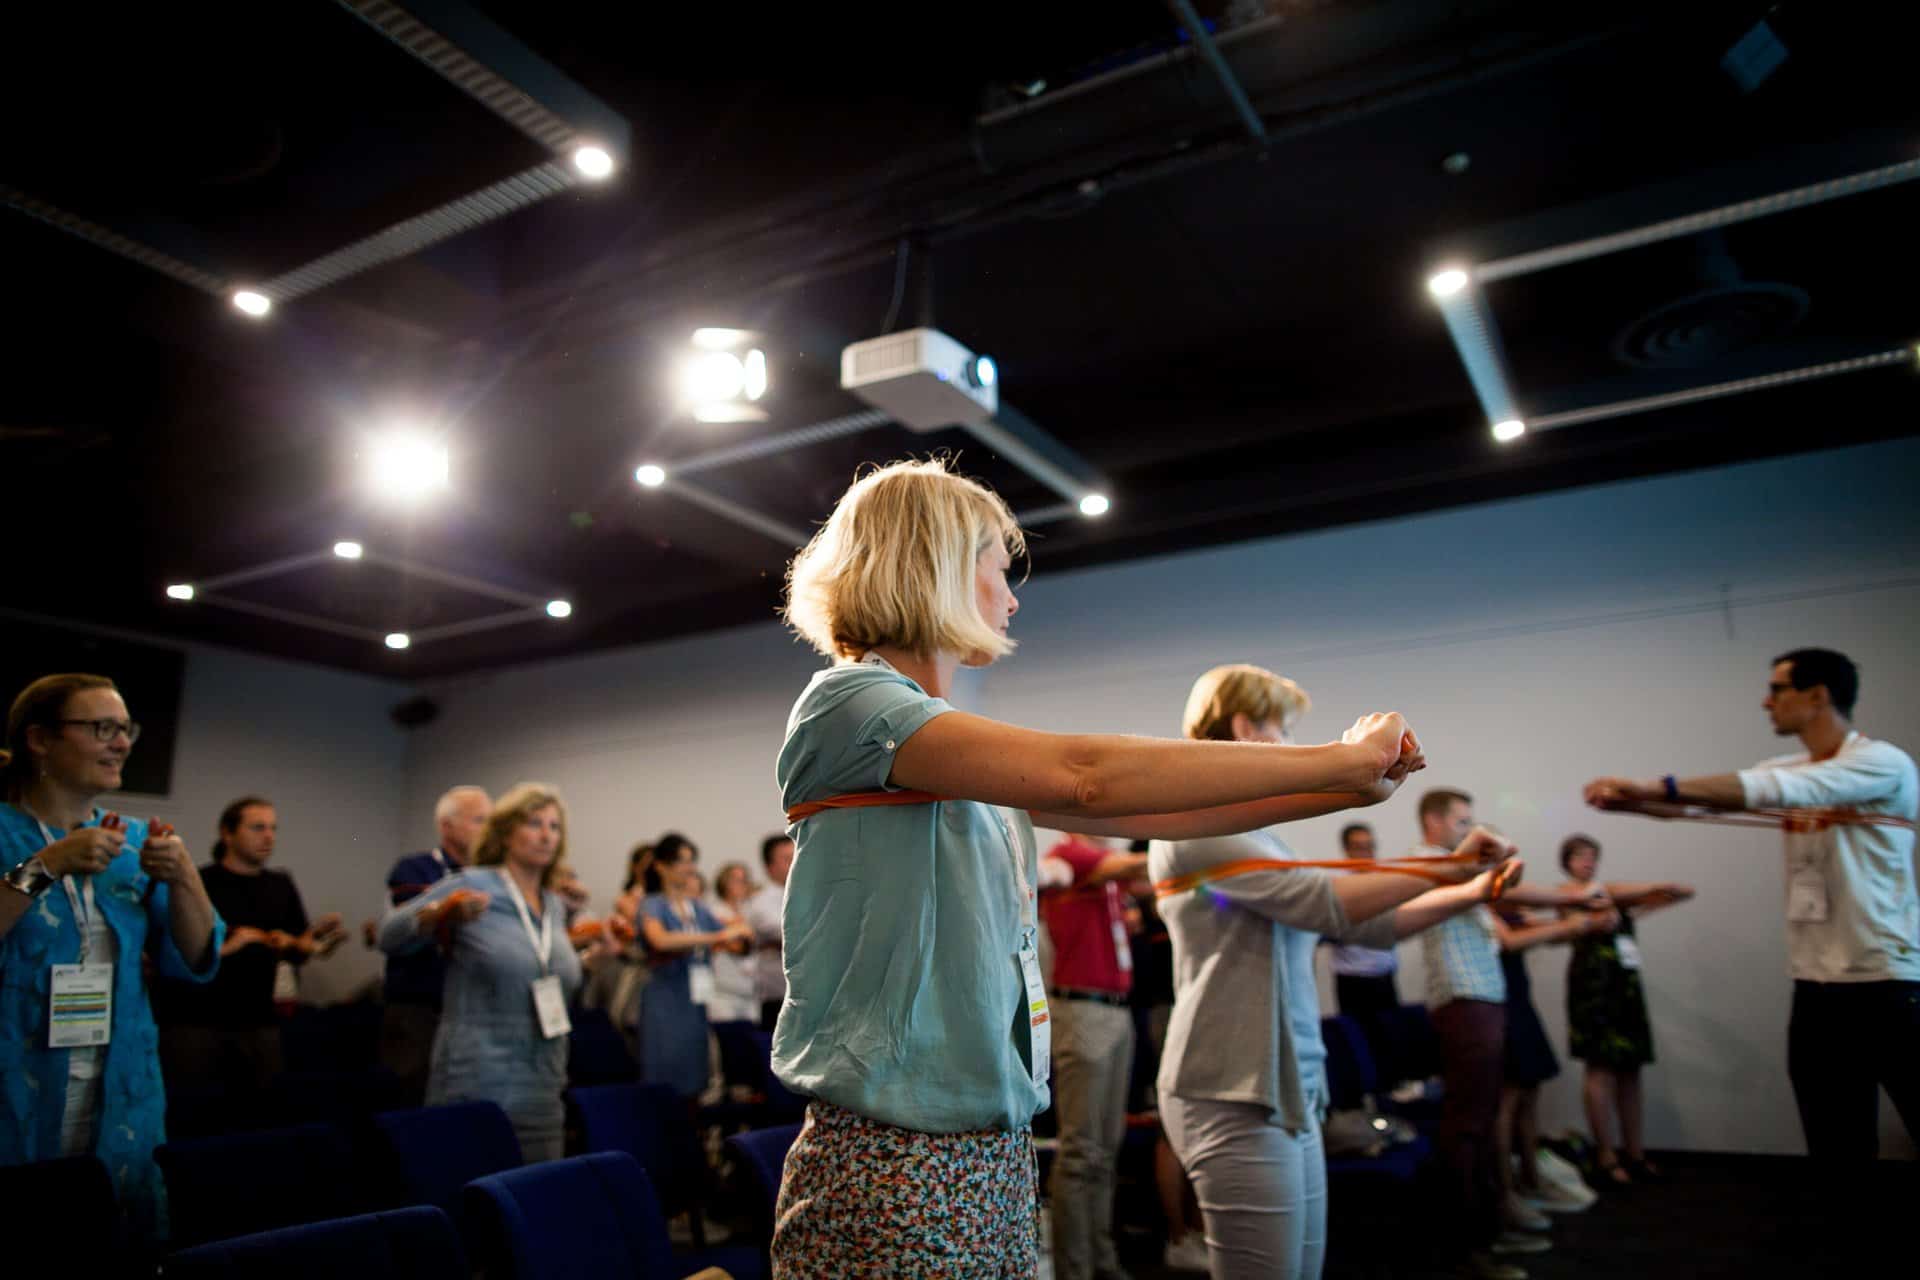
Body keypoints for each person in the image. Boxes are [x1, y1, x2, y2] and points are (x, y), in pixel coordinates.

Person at [770, 458, 1423, 1279]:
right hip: (896, 1157)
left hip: (986, 1144)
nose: (1011, 599)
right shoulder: (849, 703)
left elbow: (1150, 816)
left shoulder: (940, 742)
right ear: (937, 565)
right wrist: (1336, 759)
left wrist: (1345, 786)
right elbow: (1088, 776)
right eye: (998, 569)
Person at [1151, 666, 1518, 1280]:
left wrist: (1471, 890)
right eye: (1284, 728)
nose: (1292, 744)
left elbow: (1365, 925)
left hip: (1287, 1080)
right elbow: (1324, 903)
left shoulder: (1256, 835)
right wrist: (1451, 869)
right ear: (1245, 726)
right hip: (1228, 1085)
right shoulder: (1195, 826)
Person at [1585, 647, 1919, 1171]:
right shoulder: (1790, 767)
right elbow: (1702, 802)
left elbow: (1766, 789)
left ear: (1818, 696)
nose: (1766, 702)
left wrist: (1652, 786)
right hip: (1816, 990)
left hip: (1889, 985)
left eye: (1777, 689)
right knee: (1838, 1151)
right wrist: (1628, 801)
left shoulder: (1881, 762)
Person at [0, 673, 223, 1241]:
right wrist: (48, 864)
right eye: (102, 728)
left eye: (125, 730)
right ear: (39, 739)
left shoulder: (134, 840)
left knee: (114, 1241)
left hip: (119, 1090)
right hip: (15, 1088)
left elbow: (197, 956)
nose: (121, 743)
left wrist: (185, 875)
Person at [1413, 788, 1611, 1280]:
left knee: (1479, 1125)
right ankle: (1466, 1251)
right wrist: (1574, 897)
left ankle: (1486, 1233)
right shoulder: (1434, 861)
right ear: (1434, 822)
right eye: (1462, 822)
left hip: (1481, 1001)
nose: (1470, 831)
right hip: (1465, 1002)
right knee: (1468, 1128)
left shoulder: (1455, 868)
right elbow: (1508, 891)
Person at [380, 782, 612, 1161]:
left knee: (538, 1191)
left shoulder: (553, 906)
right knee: (471, 1188)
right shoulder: (471, 885)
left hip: (543, 1083)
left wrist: (594, 962)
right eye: (534, 823)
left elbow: (542, 978)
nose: (546, 835)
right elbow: (389, 935)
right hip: (478, 1079)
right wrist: (441, 914)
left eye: (554, 826)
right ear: (505, 833)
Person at [154, 796, 345, 1096]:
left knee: (261, 1109)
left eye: (273, 828)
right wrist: (237, 942)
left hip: (260, 1022)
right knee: (191, 1109)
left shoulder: (280, 885)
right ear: (227, 833)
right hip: (195, 1022)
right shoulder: (198, 883)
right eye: (258, 827)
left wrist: (312, 939)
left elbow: (297, 951)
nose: (269, 836)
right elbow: (171, 952)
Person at [1037, 831, 1147, 1280]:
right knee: (1083, 1151)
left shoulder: (1104, 863)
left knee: (1105, 1149)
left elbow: (1143, 883)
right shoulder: (1070, 852)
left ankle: (1102, 1260)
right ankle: (1075, 1268)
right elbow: (1133, 867)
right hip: (1084, 1011)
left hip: (1115, 1011)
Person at [1555, 835, 1693, 1189]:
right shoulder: (1567, 895)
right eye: (1580, 856)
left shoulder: (1616, 898)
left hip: (1625, 991)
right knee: (1600, 1069)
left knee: (1631, 1070)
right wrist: (1649, 888)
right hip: (1593, 991)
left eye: (1592, 856)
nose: (1588, 862)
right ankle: (1606, 1155)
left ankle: (1635, 1152)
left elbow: (1681, 892)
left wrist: (1659, 891)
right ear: (1567, 862)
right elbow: (1599, 899)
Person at [1486, 895, 1621, 1230]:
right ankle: (1506, 1192)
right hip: (1498, 1003)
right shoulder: (1481, 907)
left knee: (1529, 1093)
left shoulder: (1510, 908)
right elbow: (1510, 940)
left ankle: (1532, 1178)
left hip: (1518, 1001)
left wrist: (1581, 924)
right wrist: (1578, 921)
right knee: (1507, 1100)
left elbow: (1543, 928)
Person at [379, 785, 490, 1102]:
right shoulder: (414, 869)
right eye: (478, 820)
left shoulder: (489, 878)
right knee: (413, 1096)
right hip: (418, 1007)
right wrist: (444, 913)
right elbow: (398, 937)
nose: (487, 830)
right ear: (446, 826)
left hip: (468, 1010)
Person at [636, 834, 751, 1099]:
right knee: (665, 1074)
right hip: (664, 999)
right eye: (681, 861)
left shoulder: (696, 907)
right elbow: (660, 940)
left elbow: (735, 940)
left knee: (694, 1073)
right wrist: (718, 936)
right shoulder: (652, 904)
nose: (688, 868)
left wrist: (742, 935)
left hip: (694, 1001)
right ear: (661, 866)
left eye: (691, 861)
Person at [1325, 823, 1400, 1025]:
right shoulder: (1337, 885)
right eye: (1360, 848)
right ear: (1347, 850)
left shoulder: (1385, 879)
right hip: (1352, 981)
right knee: (1359, 1039)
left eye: (1370, 846)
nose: (1367, 854)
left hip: (1385, 976)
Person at [743, 833, 792, 1031]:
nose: (796, 863)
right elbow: (790, 932)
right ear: (769, 866)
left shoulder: (812, 895)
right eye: (787, 859)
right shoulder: (761, 902)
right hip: (777, 995)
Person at [707, 860, 761, 1024]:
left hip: (750, 991)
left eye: (745, 880)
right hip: (724, 991)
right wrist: (741, 930)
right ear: (723, 882)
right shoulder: (714, 911)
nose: (742, 884)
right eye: (736, 880)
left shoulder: (750, 910)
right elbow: (737, 944)